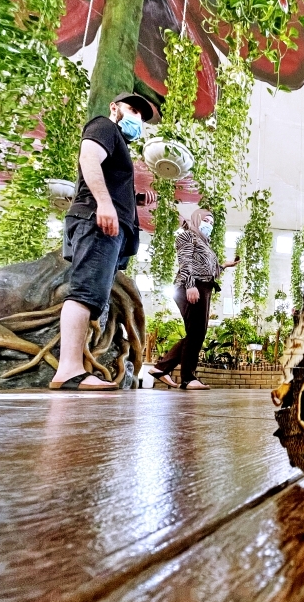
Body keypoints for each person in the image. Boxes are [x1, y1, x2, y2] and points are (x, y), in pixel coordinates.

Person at [50, 92, 158, 390]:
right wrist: (105, 203)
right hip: (96, 220)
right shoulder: (104, 126)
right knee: (85, 292)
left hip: (107, 224)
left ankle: (74, 367)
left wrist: (135, 199)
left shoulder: (118, 141)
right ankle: (68, 370)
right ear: (114, 108)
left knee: (93, 294)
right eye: (132, 109)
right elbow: (88, 158)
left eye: (141, 116)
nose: (137, 118)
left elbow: (107, 176)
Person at [151, 209, 238, 390]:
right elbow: (185, 261)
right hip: (192, 286)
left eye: (212, 223)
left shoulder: (204, 242)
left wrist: (224, 265)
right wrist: (190, 285)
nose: (209, 225)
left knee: (196, 333)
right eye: (206, 220)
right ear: (197, 219)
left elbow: (208, 270)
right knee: (197, 332)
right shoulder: (188, 236)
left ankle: (161, 368)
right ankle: (187, 378)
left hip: (203, 286)